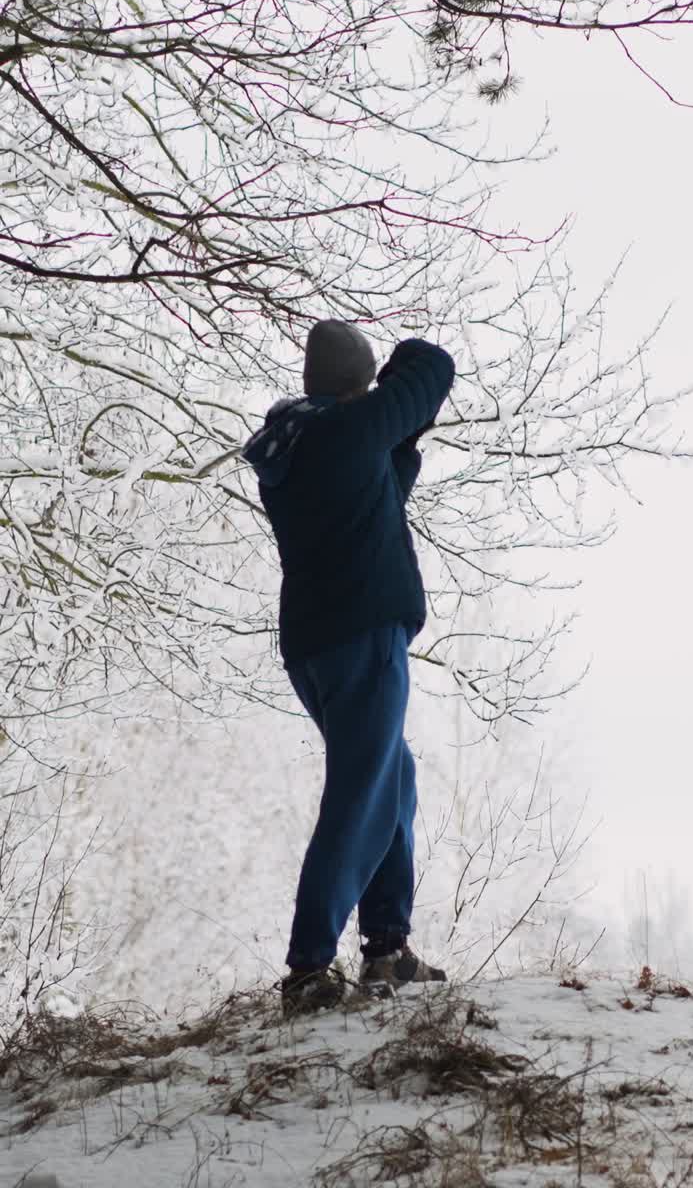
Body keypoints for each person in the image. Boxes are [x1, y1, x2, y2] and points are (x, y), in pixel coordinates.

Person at [243, 318, 455, 1014]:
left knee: (391, 777)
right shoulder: (344, 429)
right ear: (355, 386)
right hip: (363, 633)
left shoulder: (301, 446)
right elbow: (433, 368)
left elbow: (381, 489)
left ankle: (387, 949)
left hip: (317, 642)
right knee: (362, 792)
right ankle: (308, 969)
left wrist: (401, 442)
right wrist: (399, 372)